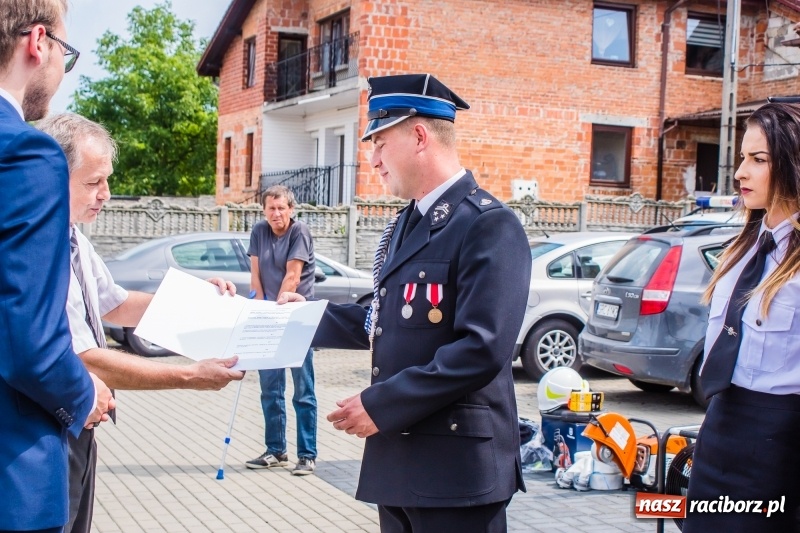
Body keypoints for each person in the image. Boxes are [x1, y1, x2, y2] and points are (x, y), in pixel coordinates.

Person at [278, 74, 532, 532]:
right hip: (399, 464)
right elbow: (385, 318)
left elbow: (482, 349)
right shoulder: (406, 224)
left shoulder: (487, 226)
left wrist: (381, 403)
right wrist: (300, 318)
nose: (372, 160)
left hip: (457, 475)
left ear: (418, 136)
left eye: (378, 143)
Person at [35, 112, 246, 533]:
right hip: (49, 434)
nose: (106, 194)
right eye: (93, 183)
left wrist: (201, 300)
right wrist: (189, 376)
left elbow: (116, 305)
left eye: (106, 180)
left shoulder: (74, 236)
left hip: (82, 427)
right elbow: (86, 358)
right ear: (53, 177)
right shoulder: (41, 243)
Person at [0, 2, 115, 532]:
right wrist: (83, 391)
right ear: (37, 42)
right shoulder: (26, 154)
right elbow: (31, 345)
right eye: (66, 55)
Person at [684, 102, 800, 531]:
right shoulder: (741, 248)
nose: (740, 172)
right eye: (741, 158)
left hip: (778, 448)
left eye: (758, 159)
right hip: (719, 429)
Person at [245, 185, 317, 476]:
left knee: (303, 391)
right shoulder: (259, 232)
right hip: (269, 318)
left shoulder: (300, 232)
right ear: (264, 210)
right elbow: (255, 275)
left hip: (296, 317)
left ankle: (307, 454)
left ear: (291, 209)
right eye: (271, 208)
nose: (276, 214)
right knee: (270, 390)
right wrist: (260, 311)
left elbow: (292, 276)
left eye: (281, 208)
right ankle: (276, 450)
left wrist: (275, 313)